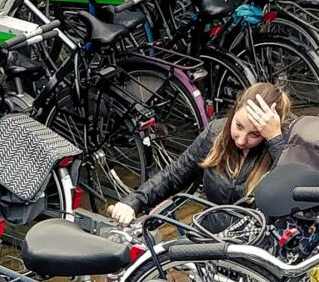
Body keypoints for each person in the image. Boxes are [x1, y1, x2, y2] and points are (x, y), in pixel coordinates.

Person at [108, 81, 291, 226]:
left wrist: (275, 140)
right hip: (211, 236)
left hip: (256, 248)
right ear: (233, 111)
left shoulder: (282, 147)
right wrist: (134, 201)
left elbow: (289, 193)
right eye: (239, 126)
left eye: (255, 134)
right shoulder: (215, 134)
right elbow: (175, 174)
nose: (241, 140)